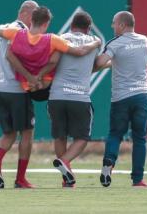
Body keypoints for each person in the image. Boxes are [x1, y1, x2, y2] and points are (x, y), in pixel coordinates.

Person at [0, 6, 101, 101]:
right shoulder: (52, 39)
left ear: (32, 20)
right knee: (59, 56)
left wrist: (30, 78)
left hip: (27, 86)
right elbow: (79, 51)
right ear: (46, 24)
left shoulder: (16, 33)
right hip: (46, 87)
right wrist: (96, 42)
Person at [94, 11, 147, 188]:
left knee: (115, 134)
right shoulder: (145, 40)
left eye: (114, 23)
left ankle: (109, 162)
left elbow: (99, 62)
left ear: (122, 25)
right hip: (142, 95)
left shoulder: (115, 43)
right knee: (140, 138)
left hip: (121, 98)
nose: (112, 26)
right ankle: (138, 180)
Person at [0, 0, 39, 189]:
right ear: (25, 14)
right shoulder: (22, 32)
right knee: (27, 133)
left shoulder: (7, 27)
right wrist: (30, 77)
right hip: (16, 89)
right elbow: (13, 56)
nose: (35, 20)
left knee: (8, 133)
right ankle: (20, 179)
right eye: (33, 16)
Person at [47, 11, 100, 188]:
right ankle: (64, 161)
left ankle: (66, 178)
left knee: (60, 136)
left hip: (57, 96)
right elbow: (96, 65)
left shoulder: (60, 38)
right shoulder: (94, 42)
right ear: (89, 28)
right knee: (83, 137)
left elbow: (52, 62)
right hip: (80, 97)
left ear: (71, 26)